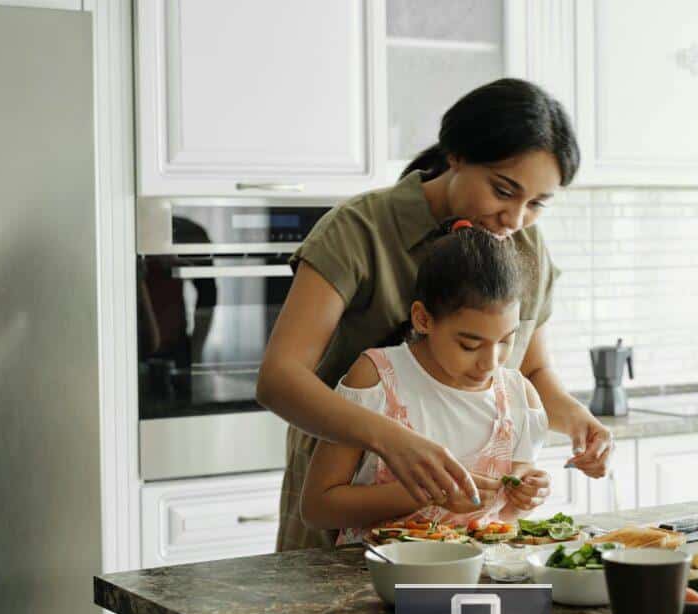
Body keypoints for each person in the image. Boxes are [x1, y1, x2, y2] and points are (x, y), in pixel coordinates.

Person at [257, 78, 615, 551]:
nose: (515, 218)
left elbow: (530, 371)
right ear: (457, 155)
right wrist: (392, 440)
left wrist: (577, 421)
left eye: (536, 204)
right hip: (344, 519)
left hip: (466, 537)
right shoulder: (358, 230)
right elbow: (279, 379)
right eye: (503, 190)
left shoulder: (524, 245)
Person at [301, 222, 550, 544]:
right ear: (423, 319)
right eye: (470, 345)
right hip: (375, 578)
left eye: (506, 340)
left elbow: (508, 516)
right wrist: (426, 493)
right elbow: (318, 508)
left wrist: (527, 495)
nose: (491, 362)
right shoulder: (377, 378)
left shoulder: (519, 396)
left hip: (478, 577)